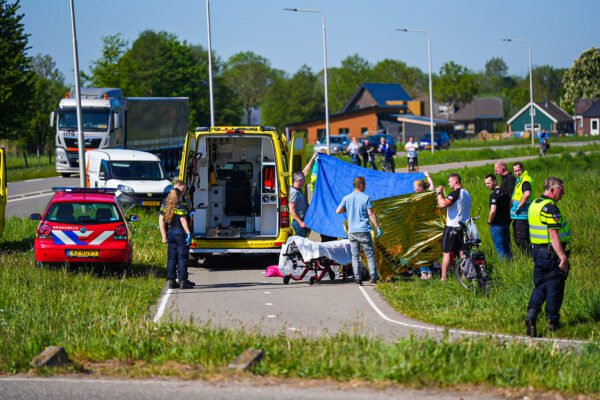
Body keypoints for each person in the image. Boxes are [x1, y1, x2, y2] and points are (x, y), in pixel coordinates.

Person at [525, 177, 571, 337]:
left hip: (537, 252)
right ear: (552, 190)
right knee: (555, 287)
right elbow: (553, 235)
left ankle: (531, 315)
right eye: (561, 190)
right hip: (551, 253)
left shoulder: (534, 204)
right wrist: (562, 256)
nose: (563, 193)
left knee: (541, 286)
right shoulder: (551, 208)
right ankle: (553, 322)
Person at [336, 176, 382, 285]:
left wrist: (349, 209)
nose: (365, 186)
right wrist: (377, 227)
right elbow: (371, 213)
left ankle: (357, 279)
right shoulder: (366, 198)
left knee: (355, 255)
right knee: (369, 255)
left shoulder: (347, 198)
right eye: (364, 184)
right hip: (363, 230)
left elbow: (338, 211)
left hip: (352, 231)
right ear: (360, 185)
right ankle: (373, 278)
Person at [159, 180, 195, 289]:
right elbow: (183, 221)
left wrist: (164, 235)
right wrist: (188, 233)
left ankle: (171, 281)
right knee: (182, 257)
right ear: (179, 195)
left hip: (170, 232)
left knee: (172, 258)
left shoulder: (165, 205)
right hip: (180, 233)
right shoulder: (181, 207)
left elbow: (161, 220)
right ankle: (183, 281)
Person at [436, 173, 472, 281]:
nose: (448, 184)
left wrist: (439, 193)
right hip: (464, 227)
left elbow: (442, 204)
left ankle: (444, 278)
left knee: (447, 252)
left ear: (456, 181)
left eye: (449, 181)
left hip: (452, 227)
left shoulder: (456, 192)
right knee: (462, 252)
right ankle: (465, 276)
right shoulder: (466, 193)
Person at [484, 174, 512, 259]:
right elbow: (511, 204)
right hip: (506, 223)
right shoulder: (505, 192)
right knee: (507, 247)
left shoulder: (494, 194)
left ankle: (504, 266)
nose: (487, 185)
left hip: (497, 225)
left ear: (495, 181)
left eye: (489, 183)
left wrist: (489, 221)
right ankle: (511, 264)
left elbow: (493, 211)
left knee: (500, 249)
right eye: (486, 184)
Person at [414, 171, 435, 279]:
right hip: (419, 227)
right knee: (421, 249)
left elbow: (432, 187)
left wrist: (428, 176)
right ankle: (424, 272)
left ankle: (428, 271)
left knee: (427, 249)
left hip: (426, 227)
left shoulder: (426, 196)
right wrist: (427, 176)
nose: (414, 189)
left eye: (415, 187)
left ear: (421, 188)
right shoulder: (415, 197)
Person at [511, 162, 533, 253]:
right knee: (517, 237)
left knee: (522, 239)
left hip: (523, 215)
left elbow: (527, 194)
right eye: (515, 171)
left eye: (519, 170)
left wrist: (519, 207)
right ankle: (526, 255)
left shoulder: (525, 180)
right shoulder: (520, 180)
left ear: (523, 169)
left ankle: (528, 256)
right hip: (518, 215)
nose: (517, 173)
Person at [289, 170, 310, 237]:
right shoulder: (294, 192)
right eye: (304, 180)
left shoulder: (298, 189)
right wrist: (300, 223)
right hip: (298, 222)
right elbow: (291, 210)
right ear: (300, 180)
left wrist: (311, 162)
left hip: (302, 220)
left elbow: (305, 172)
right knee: (300, 241)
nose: (305, 181)